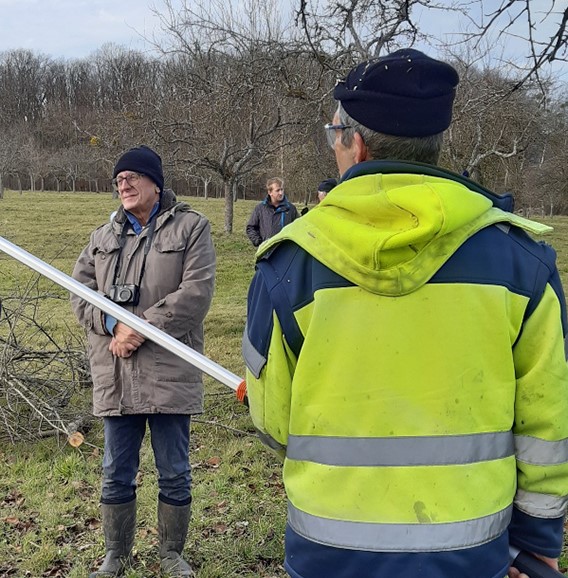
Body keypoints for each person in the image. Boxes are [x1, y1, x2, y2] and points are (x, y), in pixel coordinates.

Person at [242, 49, 568, 578]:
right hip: (472, 552)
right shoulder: (523, 262)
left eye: (333, 135)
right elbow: (549, 424)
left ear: (355, 144)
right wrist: (537, 541)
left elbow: (273, 422)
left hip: (329, 551)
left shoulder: (288, 263)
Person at [71, 145, 215, 577]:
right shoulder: (101, 237)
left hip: (169, 372)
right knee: (116, 470)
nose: (124, 184)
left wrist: (142, 327)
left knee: (174, 471)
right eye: (119, 179)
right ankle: (116, 555)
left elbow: (196, 293)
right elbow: (79, 293)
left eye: (132, 176)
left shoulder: (192, 227)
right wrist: (113, 324)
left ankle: (172, 555)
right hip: (116, 371)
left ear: (155, 182)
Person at [246, 177, 299, 246]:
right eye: (277, 190)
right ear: (270, 192)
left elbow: (297, 228)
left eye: (282, 189)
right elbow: (251, 228)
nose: (281, 193)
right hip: (266, 250)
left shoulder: (291, 209)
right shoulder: (260, 209)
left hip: (285, 250)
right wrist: (258, 241)